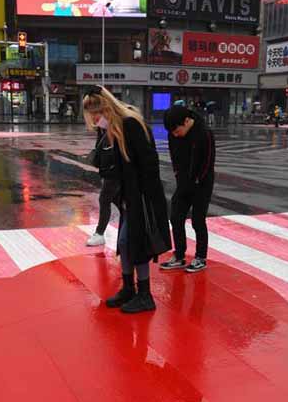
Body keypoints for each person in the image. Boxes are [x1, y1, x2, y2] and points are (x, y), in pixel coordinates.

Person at [83, 85, 171, 313]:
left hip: (142, 196)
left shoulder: (130, 123)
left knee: (135, 243)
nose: (94, 118)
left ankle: (145, 295)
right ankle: (130, 289)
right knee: (124, 242)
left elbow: (148, 165)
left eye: (96, 112)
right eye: (91, 114)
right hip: (129, 196)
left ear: (106, 107)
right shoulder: (115, 127)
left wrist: (140, 197)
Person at [160, 105, 216, 274]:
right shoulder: (173, 133)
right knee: (176, 217)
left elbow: (208, 162)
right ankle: (179, 255)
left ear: (186, 121)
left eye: (177, 131)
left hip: (202, 183)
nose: (175, 135)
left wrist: (197, 181)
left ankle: (200, 257)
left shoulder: (204, 133)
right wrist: (179, 176)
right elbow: (174, 157)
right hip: (183, 181)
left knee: (198, 221)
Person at [86, 114, 121, 246]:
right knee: (116, 199)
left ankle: (100, 233)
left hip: (114, 171)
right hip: (107, 170)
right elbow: (100, 146)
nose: (93, 118)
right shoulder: (102, 126)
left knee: (105, 199)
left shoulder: (113, 125)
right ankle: (131, 223)